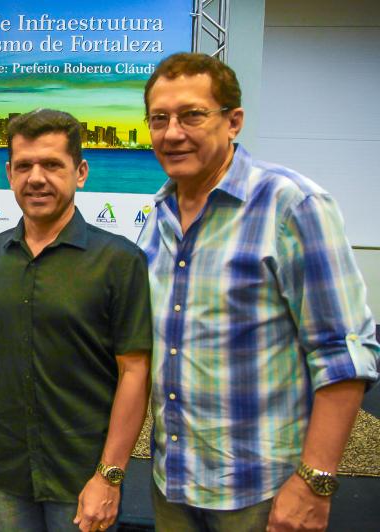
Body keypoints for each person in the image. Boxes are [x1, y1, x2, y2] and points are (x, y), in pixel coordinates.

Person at [137, 52, 380, 532]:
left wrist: (314, 482)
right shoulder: (158, 215)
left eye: (191, 115)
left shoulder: (292, 204)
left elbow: (344, 352)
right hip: (172, 484)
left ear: (234, 121)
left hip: (262, 494)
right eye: (159, 118)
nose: (172, 133)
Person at [0, 109, 153, 532]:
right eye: (24, 166)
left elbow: (135, 372)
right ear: (9, 174)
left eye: (53, 165)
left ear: (81, 172)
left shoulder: (119, 261)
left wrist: (110, 475)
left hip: (82, 477)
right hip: (4, 475)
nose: (36, 178)